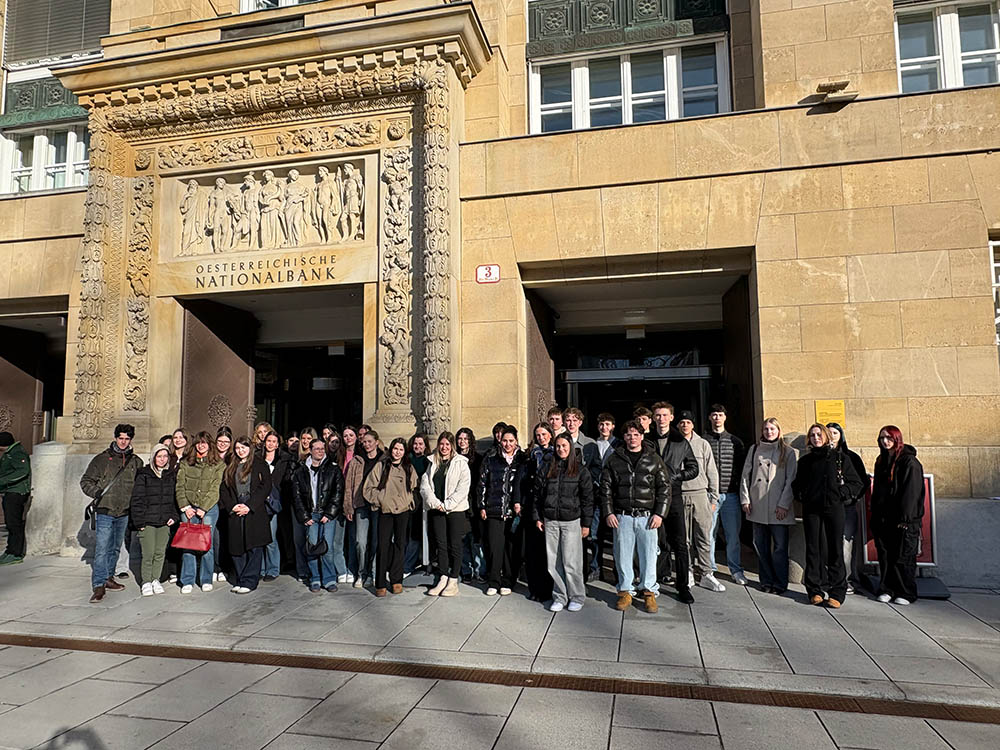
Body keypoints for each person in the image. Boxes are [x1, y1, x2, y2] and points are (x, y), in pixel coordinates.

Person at [600, 420, 670, 612]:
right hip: (622, 516)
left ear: (642, 436)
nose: (632, 438)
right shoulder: (614, 459)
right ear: (624, 437)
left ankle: (649, 592)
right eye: (629, 434)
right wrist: (608, 512)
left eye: (636, 434)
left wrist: (660, 514)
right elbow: (605, 488)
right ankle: (625, 591)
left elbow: (664, 488)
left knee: (649, 555)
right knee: (622, 555)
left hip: (647, 517)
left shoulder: (653, 459)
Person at [794, 423, 863, 609]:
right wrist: (803, 494)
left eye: (819, 434)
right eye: (812, 435)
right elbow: (797, 484)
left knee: (835, 550)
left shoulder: (840, 458)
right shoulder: (805, 461)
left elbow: (856, 483)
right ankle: (814, 590)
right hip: (812, 510)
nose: (816, 438)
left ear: (826, 436)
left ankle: (837, 592)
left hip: (834, 508)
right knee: (813, 549)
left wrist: (841, 493)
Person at [81, 424, 144, 602]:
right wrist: (97, 492)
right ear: (115, 438)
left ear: (131, 440)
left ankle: (109, 577)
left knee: (115, 547)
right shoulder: (102, 459)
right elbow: (86, 481)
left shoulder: (136, 462)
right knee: (102, 548)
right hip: (105, 510)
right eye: (120, 438)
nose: (123, 442)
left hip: (124, 512)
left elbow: (140, 486)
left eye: (127, 439)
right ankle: (99, 584)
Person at [534, 434, 594, 612]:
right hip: (550, 520)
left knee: (571, 562)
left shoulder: (580, 470)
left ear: (571, 447)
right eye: (558, 446)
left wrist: (586, 524)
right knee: (554, 562)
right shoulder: (547, 468)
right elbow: (537, 494)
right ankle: (560, 596)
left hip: (571, 521)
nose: (561, 449)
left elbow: (587, 499)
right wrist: (537, 517)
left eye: (564, 446)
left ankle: (577, 596)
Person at [645, 402, 697, 602]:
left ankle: (683, 586)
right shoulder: (647, 440)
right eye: (658, 415)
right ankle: (654, 581)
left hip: (674, 496)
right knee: (656, 542)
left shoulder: (680, 440)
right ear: (653, 418)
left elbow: (693, 468)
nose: (661, 419)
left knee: (680, 543)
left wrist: (677, 476)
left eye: (665, 415)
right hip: (651, 496)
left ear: (671, 417)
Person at [740, 418, 797, 595]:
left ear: (778, 430)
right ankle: (766, 581)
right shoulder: (754, 449)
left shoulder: (788, 452)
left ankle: (780, 583)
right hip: (757, 504)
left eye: (772, 429)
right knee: (760, 545)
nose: (769, 432)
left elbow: (791, 480)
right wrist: (745, 499)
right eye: (766, 429)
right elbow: (745, 475)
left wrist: (783, 504)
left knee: (779, 548)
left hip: (778, 506)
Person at [872, 425, 925, 606]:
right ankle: (887, 589)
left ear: (897, 439)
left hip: (903, 520)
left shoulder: (909, 462)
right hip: (883, 518)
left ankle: (905, 592)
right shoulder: (881, 460)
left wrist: (906, 519)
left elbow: (911, 493)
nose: (885, 441)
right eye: (882, 438)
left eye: (889, 438)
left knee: (903, 557)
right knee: (886, 556)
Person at [477, 426, 529, 596]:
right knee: (495, 547)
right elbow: (482, 483)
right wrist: (482, 506)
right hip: (494, 509)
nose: (508, 444)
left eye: (511, 441)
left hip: (514, 512)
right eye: (505, 441)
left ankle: (508, 581)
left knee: (511, 549)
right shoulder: (491, 458)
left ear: (516, 442)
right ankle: (494, 581)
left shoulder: (523, 459)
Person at [676, 411, 723, 593]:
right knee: (684, 538)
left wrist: (713, 497)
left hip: (701, 494)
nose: (685, 425)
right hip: (680, 495)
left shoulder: (702, 444)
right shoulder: (674, 443)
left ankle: (706, 573)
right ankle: (687, 571)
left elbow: (712, 471)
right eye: (682, 422)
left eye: (688, 422)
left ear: (693, 425)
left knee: (704, 536)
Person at [219, 436, 273, 594]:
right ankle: (240, 578)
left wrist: (249, 506)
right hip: (236, 507)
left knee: (254, 547)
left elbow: (266, 486)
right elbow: (224, 489)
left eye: (243, 447)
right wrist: (232, 506)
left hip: (253, 508)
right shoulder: (231, 465)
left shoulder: (259, 464)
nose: (240, 451)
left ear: (250, 448)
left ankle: (249, 581)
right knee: (237, 546)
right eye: (237, 448)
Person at [420, 432, 471, 597]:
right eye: (441, 444)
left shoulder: (461, 463)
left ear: (452, 446)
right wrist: (436, 504)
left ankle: (453, 580)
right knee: (441, 544)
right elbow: (425, 486)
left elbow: (463, 488)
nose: (444, 447)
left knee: (455, 545)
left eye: (447, 444)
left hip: (455, 510)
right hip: (437, 509)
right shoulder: (432, 462)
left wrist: (447, 505)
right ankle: (443, 576)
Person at [363, 438, 415, 596]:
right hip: (385, 511)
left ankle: (396, 580)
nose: (397, 452)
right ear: (391, 449)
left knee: (400, 545)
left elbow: (414, 487)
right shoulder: (381, 465)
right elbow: (368, 488)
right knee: (382, 545)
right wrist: (381, 499)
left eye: (401, 449)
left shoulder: (408, 467)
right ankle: (380, 582)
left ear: (404, 452)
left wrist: (408, 501)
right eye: (395, 449)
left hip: (402, 510)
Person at [175, 430, 225, 594]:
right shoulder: (186, 463)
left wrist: (203, 508)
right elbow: (180, 486)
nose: (201, 446)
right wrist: (185, 506)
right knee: (188, 544)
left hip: (208, 510)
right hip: (188, 508)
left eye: (204, 443)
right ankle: (187, 579)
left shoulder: (218, 464)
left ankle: (206, 578)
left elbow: (215, 489)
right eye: (198, 442)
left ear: (209, 444)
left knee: (206, 544)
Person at [291, 437, 344, 592]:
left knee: (327, 547)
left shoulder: (333, 469)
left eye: (322, 448)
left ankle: (329, 579)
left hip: (327, 514)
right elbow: (297, 496)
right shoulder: (300, 471)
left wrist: (330, 513)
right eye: (317, 449)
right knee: (312, 546)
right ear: (310, 450)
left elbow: (338, 492)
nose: (320, 451)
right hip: (311, 514)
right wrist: (304, 516)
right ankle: (315, 577)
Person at [704, 405, 747, 585]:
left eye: (720, 415)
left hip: (731, 495)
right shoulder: (704, 440)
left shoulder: (735, 442)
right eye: (714, 415)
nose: (717, 418)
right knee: (709, 535)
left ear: (725, 417)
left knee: (733, 536)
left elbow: (743, 468)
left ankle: (735, 570)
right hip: (710, 496)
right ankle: (709, 569)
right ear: (709, 417)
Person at [129, 443, 178, 595]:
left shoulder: (171, 475)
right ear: (153, 457)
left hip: (164, 521)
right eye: (159, 456)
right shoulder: (144, 475)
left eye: (165, 456)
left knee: (160, 553)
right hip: (147, 521)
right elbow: (137, 499)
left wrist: (174, 516)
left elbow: (174, 499)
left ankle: (155, 579)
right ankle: (146, 581)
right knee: (148, 553)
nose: (162, 459)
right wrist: (139, 522)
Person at [827, 422, 869, 594]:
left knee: (845, 545)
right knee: (829, 544)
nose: (831, 437)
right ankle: (831, 579)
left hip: (846, 507)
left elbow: (862, 482)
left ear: (841, 436)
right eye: (828, 433)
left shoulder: (851, 457)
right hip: (828, 508)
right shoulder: (821, 457)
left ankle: (847, 580)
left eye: (835, 433)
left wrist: (852, 496)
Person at [343, 430, 384, 588]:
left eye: (369, 441)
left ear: (376, 442)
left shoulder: (383, 460)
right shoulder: (357, 461)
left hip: (378, 506)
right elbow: (349, 486)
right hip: (361, 506)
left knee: (375, 541)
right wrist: (348, 507)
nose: (367, 444)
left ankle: (372, 573)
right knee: (360, 542)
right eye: (364, 442)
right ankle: (361, 573)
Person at [583, 413, 617, 582]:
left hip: (614, 496)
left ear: (613, 426)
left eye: (607, 424)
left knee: (617, 535)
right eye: (602, 424)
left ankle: (618, 570)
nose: (604, 427)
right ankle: (596, 567)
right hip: (596, 495)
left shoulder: (618, 445)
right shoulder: (591, 445)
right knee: (595, 535)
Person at [525, 423, 556, 601]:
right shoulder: (532, 454)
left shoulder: (556, 454)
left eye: (544, 434)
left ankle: (547, 589)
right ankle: (534, 588)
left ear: (550, 435)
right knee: (533, 551)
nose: (541, 438)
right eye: (538, 435)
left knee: (548, 552)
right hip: (533, 505)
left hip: (549, 505)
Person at [260, 430, 291, 582]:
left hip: (274, 502)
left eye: (274, 441)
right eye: (268, 441)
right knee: (259, 537)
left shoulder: (283, 460)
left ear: (278, 444)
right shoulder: (257, 458)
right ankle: (260, 569)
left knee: (271, 537)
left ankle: (273, 569)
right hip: (258, 502)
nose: (271, 444)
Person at [456, 427, 484, 583]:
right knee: (462, 538)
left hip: (474, 503)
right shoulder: (453, 458)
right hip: (459, 503)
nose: (462, 442)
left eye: (465, 439)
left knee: (476, 539)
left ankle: (480, 570)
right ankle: (466, 569)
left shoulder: (478, 459)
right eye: (460, 439)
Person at [0, 431, 31, 566]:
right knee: (10, 523)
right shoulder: (10, 453)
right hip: (10, 491)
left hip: (16, 492)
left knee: (14, 524)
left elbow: (23, 471)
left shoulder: (17, 453)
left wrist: (3, 481)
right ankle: (10, 551)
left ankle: (16, 554)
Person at [403, 433, 430, 575]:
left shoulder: (427, 461)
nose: (417, 446)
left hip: (420, 503)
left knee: (416, 535)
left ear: (425, 446)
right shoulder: (407, 459)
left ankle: (408, 566)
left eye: (420, 444)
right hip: (405, 501)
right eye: (415, 443)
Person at [335, 425, 358, 582]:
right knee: (338, 539)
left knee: (353, 538)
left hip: (354, 501)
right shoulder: (338, 455)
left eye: (351, 435)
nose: (348, 438)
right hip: (338, 501)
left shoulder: (360, 455)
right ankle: (341, 570)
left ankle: (352, 569)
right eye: (345, 435)